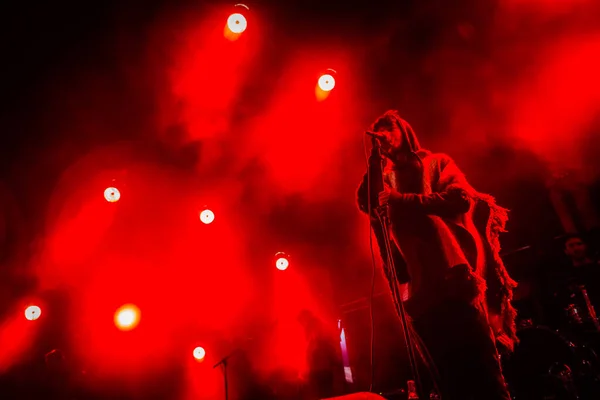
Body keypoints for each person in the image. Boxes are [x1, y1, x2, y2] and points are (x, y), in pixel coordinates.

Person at [356, 110, 517, 400]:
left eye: (389, 128)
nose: (384, 134)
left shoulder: (436, 163)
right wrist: (374, 164)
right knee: (446, 378)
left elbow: (461, 199)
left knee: (483, 365)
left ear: (405, 131)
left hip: (454, 277)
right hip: (417, 291)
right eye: (378, 131)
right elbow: (364, 202)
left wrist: (403, 200)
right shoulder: (384, 178)